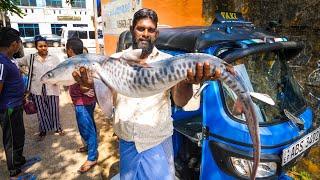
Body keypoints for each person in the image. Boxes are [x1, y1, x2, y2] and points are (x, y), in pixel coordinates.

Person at [73, 8, 221, 179]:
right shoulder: (114, 61)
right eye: (140, 28)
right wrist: (91, 88)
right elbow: (110, 102)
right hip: (127, 141)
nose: (145, 33)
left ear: (156, 34)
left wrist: (186, 82)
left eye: (150, 30)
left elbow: (179, 101)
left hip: (157, 141)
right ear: (131, 31)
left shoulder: (169, 62)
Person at [17, 35, 64, 141]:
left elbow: (60, 71)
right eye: (40, 46)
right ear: (36, 47)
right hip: (36, 89)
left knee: (54, 109)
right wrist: (23, 71)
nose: (43, 48)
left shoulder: (54, 58)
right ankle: (43, 130)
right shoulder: (30, 58)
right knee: (41, 110)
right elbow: (17, 62)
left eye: (45, 46)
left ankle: (57, 127)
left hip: (52, 87)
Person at [66, 37, 98, 173]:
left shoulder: (77, 64)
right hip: (83, 102)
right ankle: (89, 147)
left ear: (70, 50)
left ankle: (92, 157)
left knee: (87, 129)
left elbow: (87, 84)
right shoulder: (81, 61)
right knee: (87, 126)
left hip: (82, 102)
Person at [0, 27, 26, 178]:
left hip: (16, 104)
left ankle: (18, 159)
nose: (20, 45)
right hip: (8, 108)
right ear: (13, 43)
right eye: (19, 42)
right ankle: (13, 170)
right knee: (10, 138)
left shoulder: (9, 59)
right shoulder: (1, 62)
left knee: (19, 134)